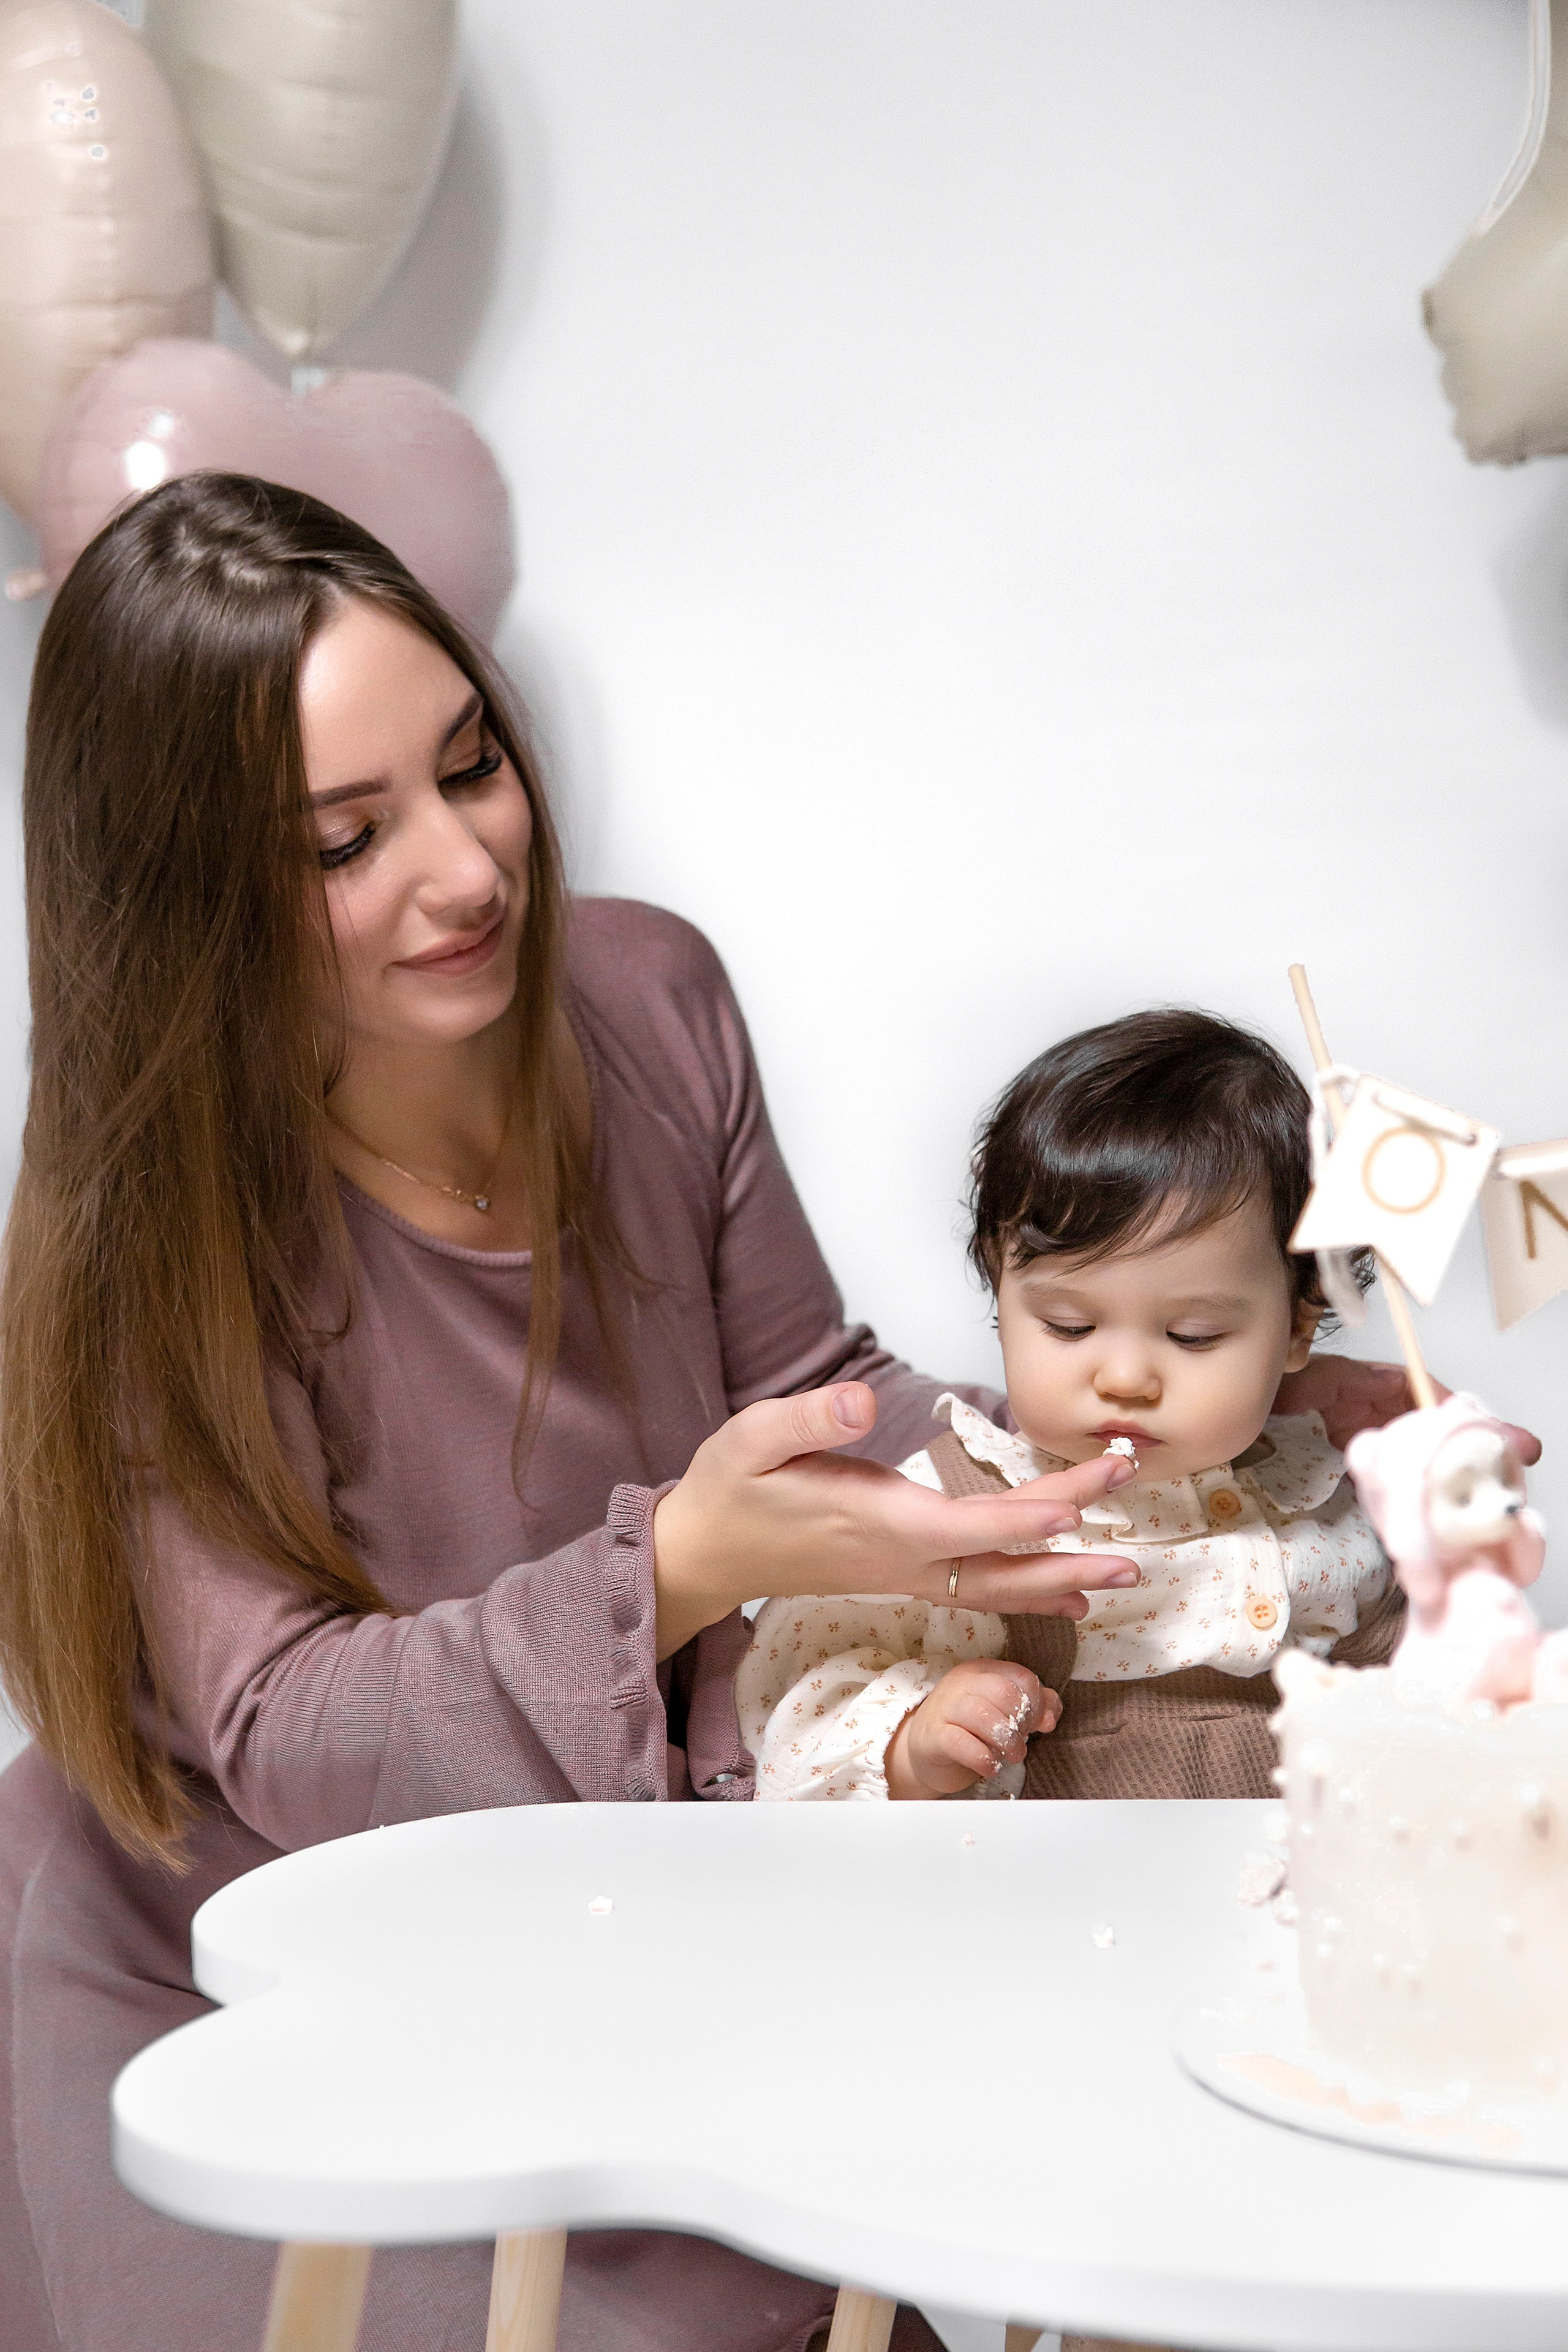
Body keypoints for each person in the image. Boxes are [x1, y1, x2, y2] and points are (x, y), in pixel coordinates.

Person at [0, 475, 1455, 2352]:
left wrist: (1184, 1421)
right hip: (262, 1975)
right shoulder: (146, 1225)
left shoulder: (648, 996)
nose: (465, 872)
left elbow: (810, 1398)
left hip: (624, 1888)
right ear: (184, 897)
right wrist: (674, 1571)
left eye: (472, 765)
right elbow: (285, 1736)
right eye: (346, 838)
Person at [738, 1011, 1499, 1805]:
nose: (1127, 1377)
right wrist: (918, 1740)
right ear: (1002, 1295)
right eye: (1069, 1326)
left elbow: (1424, 1698)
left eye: (1193, 1334)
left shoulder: (1318, 1502)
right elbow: (797, 1715)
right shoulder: (945, 1517)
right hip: (1063, 1910)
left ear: (1299, 1326)